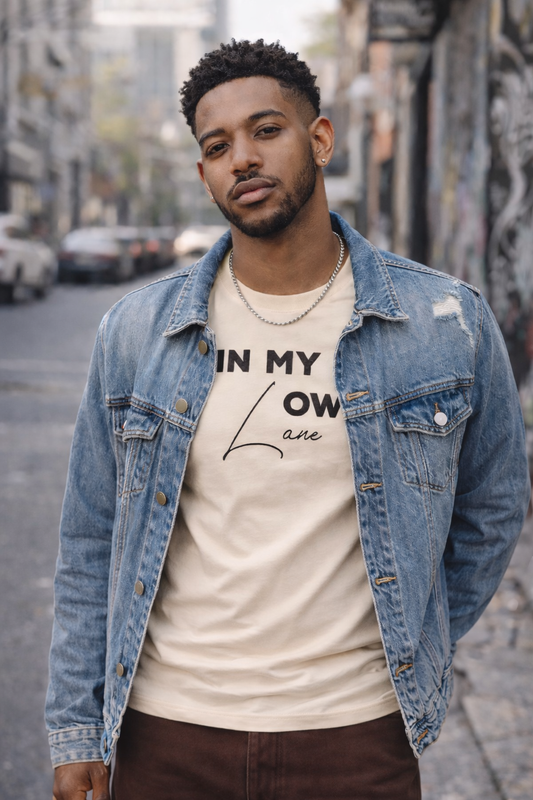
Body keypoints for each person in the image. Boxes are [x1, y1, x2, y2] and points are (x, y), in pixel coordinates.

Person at [47, 40, 530, 800]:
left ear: (320, 139)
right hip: (168, 733)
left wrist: (416, 635)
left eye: (265, 130)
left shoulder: (443, 322)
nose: (241, 157)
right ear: (203, 170)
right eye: (217, 146)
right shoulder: (137, 331)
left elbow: (493, 505)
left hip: (355, 736)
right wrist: (77, 730)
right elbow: (89, 537)